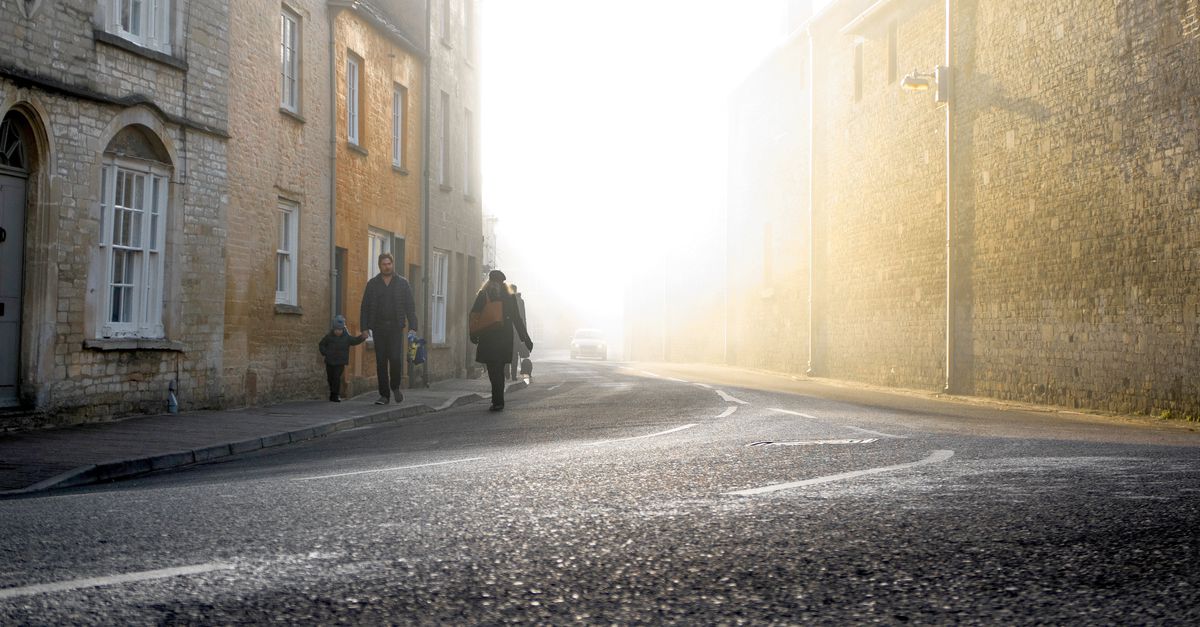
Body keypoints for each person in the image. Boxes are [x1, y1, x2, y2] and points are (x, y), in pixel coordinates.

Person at [360, 252, 419, 405]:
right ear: (379, 266)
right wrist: (364, 328)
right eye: (384, 264)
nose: (387, 267)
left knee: (395, 358)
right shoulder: (372, 284)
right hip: (378, 327)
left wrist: (413, 326)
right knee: (381, 361)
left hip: (395, 327)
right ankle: (384, 395)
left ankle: (395, 387)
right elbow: (365, 306)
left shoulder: (402, 283)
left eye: (389, 264)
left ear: (392, 264)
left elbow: (410, 306)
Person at [470, 270, 533, 411]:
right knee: (497, 370)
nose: (495, 284)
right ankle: (498, 400)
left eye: (495, 282)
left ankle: (497, 401)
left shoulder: (484, 294)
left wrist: (473, 334)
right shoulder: (508, 297)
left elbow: (474, 315)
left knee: (494, 370)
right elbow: (517, 319)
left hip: (490, 339)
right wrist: (525, 339)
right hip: (502, 339)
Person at [318, 315, 367, 402]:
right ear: (333, 329)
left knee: (336, 378)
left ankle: (335, 395)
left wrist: (362, 337)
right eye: (337, 329)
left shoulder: (346, 337)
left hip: (340, 362)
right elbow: (321, 344)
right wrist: (325, 352)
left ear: (343, 329)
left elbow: (355, 340)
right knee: (330, 378)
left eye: (340, 329)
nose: (338, 331)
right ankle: (332, 393)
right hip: (329, 361)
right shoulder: (329, 337)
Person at [508, 284, 529, 381]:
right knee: (514, 354)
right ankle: (513, 375)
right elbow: (523, 318)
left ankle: (506, 373)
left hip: (507, 331)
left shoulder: (505, 300)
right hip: (517, 331)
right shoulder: (520, 301)